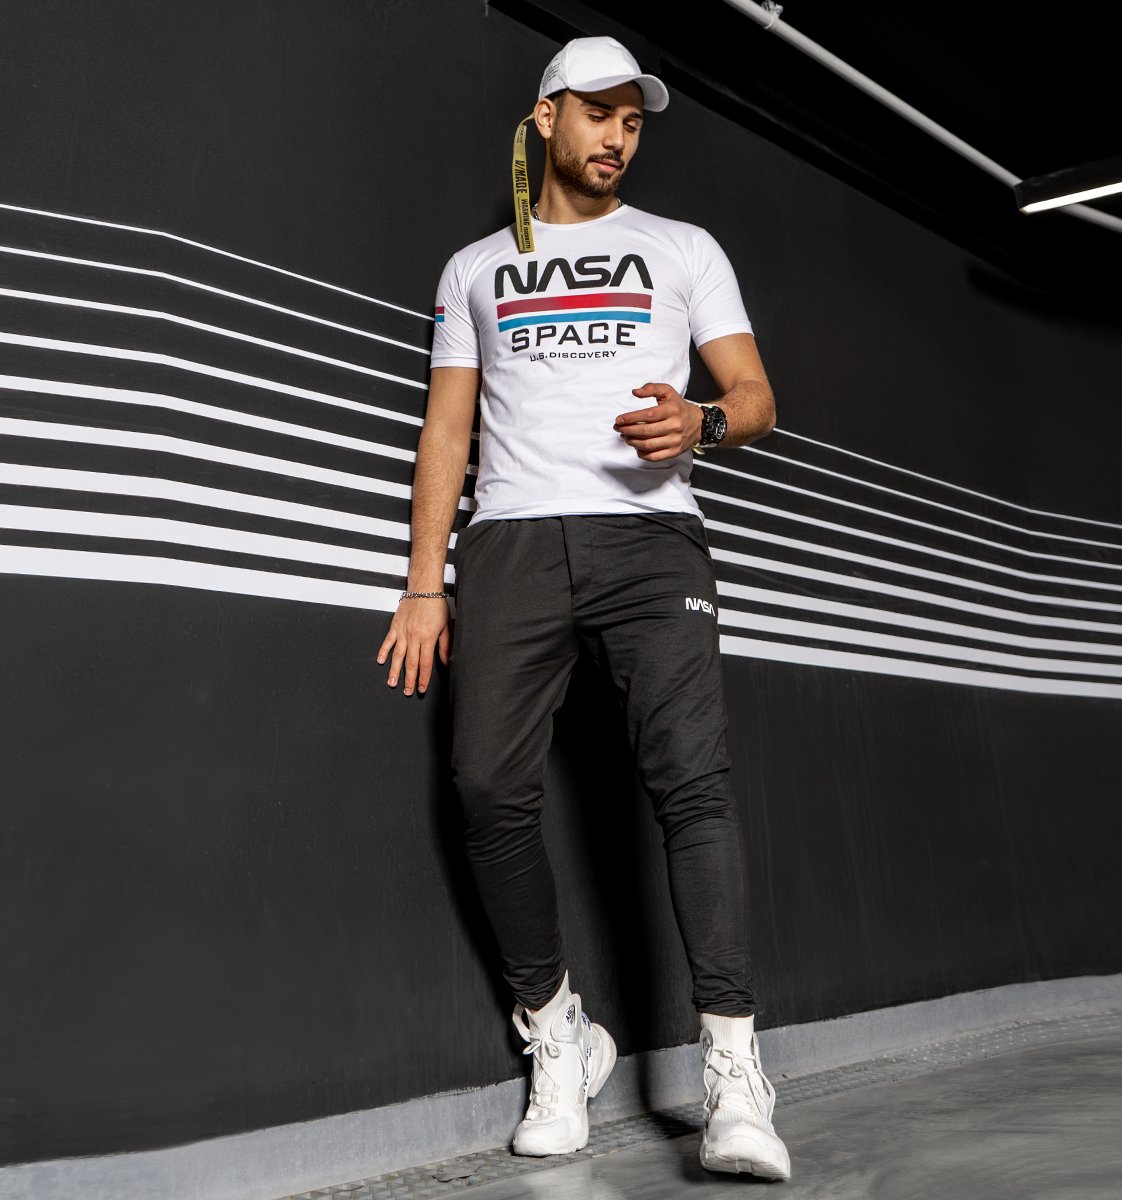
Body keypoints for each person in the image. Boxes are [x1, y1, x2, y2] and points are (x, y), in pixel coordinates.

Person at [377, 35, 790, 1181]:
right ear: (548, 116)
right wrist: (425, 583)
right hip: (509, 543)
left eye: (634, 121)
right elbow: (446, 433)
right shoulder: (474, 268)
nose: (617, 137)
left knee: (692, 786)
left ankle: (733, 1074)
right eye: (599, 114)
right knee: (484, 787)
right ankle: (559, 1031)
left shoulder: (682, 249)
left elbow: (756, 395)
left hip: (651, 542)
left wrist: (703, 422)